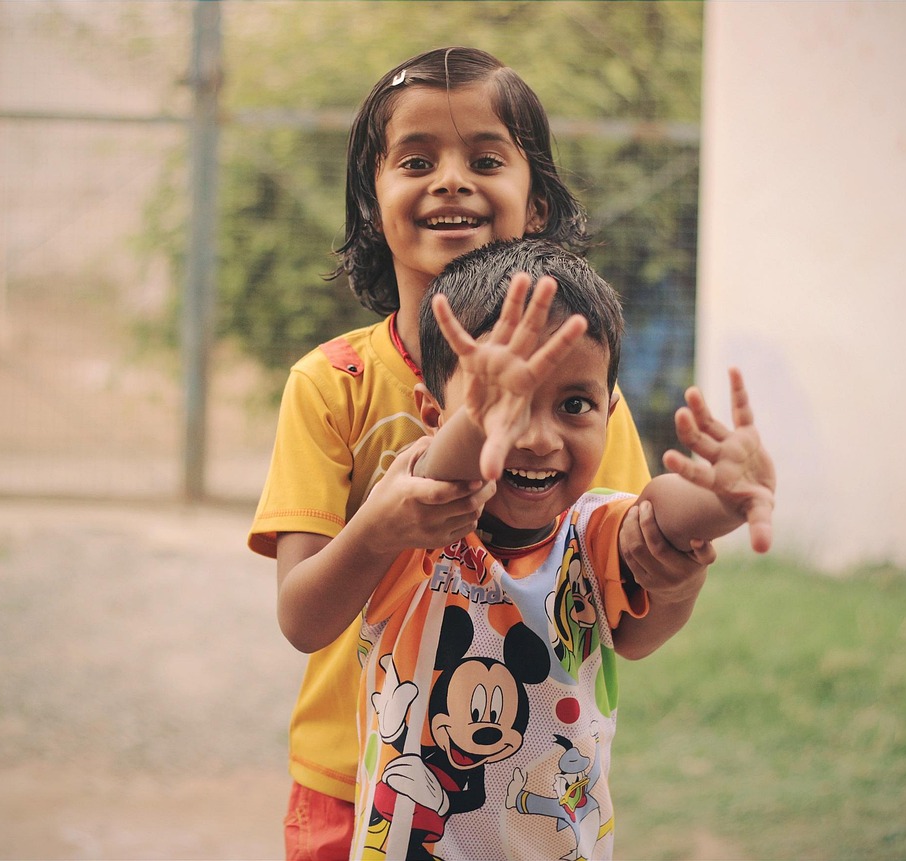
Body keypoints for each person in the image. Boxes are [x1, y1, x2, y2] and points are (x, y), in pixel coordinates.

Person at [248, 47, 713, 860]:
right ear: (374, 200)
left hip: (526, 802)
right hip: (351, 789)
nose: (452, 179)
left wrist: (694, 547)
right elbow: (304, 616)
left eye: (486, 158)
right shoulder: (333, 384)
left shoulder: (584, 403)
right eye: (417, 159)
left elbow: (628, 622)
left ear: (535, 203)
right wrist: (381, 528)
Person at [343, 238, 775, 859]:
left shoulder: (590, 532)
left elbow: (662, 514)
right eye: (504, 407)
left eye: (575, 404)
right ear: (435, 416)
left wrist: (722, 502)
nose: (540, 438)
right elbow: (307, 617)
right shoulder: (410, 526)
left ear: (610, 411)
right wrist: (475, 427)